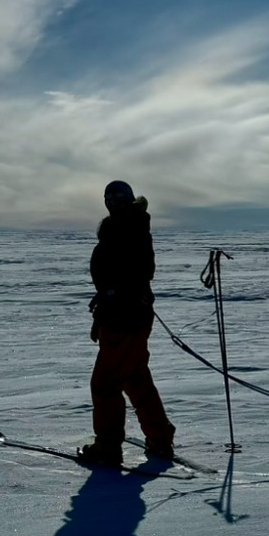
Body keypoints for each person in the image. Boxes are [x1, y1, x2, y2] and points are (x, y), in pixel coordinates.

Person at [80, 180, 177, 467]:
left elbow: (140, 271)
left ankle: (108, 447)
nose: (113, 202)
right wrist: (104, 310)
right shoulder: (125, 226)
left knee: (105, 384)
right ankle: (160, 438)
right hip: (125, 315)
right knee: (135, 378)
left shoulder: (130, 227)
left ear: (129, 199)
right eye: (109, 197)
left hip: (124, 318)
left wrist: (116, 297)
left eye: (119, 197)